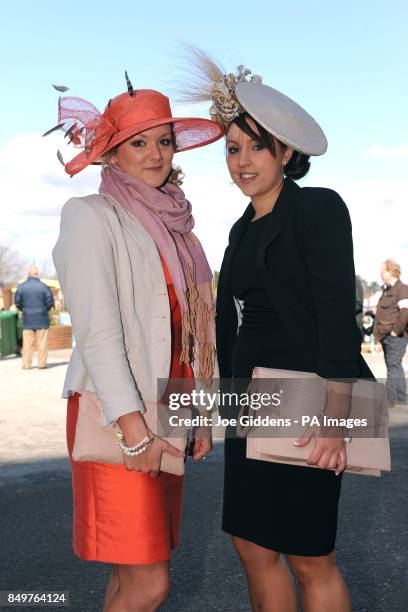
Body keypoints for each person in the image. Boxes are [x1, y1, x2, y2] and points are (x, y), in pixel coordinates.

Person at [182, 50, 374, 612]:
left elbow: (339, 318)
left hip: (313, 399)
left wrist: (335, 421)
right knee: (251, 544)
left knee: (311, 555)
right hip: (253, 402)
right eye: (232, 149)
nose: (242, 161)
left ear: (286, 152)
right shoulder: (239, 230)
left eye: (256, 147)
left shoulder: (318, 209)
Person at [51, 75, 223, 611]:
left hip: (168, 407)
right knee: (151, 583)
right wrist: (133, 430)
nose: (155, 155)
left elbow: (187, 333)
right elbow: (98, 330)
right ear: (113, 154)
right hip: (118, 415)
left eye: (164, 140)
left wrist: (197, 415)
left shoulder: (179, 228)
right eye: (139, 143)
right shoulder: (90, 216)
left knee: (133, 574)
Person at [374, 259, 408, 405]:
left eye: (383, 271)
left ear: (391, 271)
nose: (381, 274)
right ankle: (401, 397)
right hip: (386, 335)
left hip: (396, 336)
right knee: (395, 365)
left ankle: (390, 398)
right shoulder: (386, 290)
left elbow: (405, 311)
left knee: (393, 365)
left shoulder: (401, 289)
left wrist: (396, 331)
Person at [14, 265, 54, 369]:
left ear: (28, 273)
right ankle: (42, 364)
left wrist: (25, 309)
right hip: (42, 317)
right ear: (37, 273)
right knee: (42, 343)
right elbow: (50, 302)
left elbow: (17, 302)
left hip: (28, 318)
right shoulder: (44, 286)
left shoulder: (21, 287)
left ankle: (26, 365)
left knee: (27, 344)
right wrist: (45, 309)